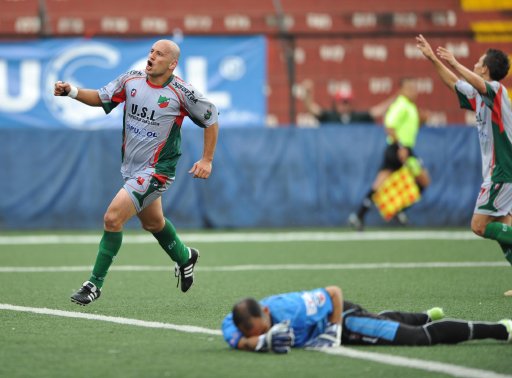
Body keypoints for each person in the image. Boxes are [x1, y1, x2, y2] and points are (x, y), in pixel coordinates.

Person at [54, 39, 219, 305]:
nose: (152, 56)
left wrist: (207, 160)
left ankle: (93, 285)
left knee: (112, 218)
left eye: (159, 53)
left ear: (172, 63)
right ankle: (185, 256)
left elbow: (211, 118)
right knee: (153, 223)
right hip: (131, 168)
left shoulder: (182, 92)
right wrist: (71, 91)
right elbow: (101, 97)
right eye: (151, 51)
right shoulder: (131, 80)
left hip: (157, 171)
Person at [416, 34, 512, 297]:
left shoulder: (497, 90)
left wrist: (456, 62)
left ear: (485, 69)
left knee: (480, 226)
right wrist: (434, 59)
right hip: (501, 172)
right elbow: (454, 84)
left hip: (502, 171)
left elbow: (472, 81)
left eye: (479, 61)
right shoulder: (481, 97)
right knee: (503, 227)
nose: (475, 63)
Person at [221, 286, 512, 353]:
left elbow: (333, 292)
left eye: (267, 327)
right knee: (380, 321)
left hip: (343, 319)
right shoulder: (234, 321)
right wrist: (256, 342)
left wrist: (333, 330)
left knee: (416, 337)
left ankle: (500, 329)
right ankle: (426, 314)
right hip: (341, 324)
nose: (267, 331)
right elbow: (238, 337)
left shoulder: (294, 308)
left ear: (267, 312)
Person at [348, 77, 431, 230]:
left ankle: (360, 215)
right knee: (421, 180)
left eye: (414, 88)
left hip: (403, 149)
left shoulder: (410, 106)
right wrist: (401, 147)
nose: (413, 91)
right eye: (409, 88)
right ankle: (367, 215)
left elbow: (406, 127)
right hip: (399, 149)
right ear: (401, 90)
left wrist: (422, 121)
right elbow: (389, 126)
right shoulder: (400, 104)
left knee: (416, 181)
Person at [301, 79, 393, 125]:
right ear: (336, 103)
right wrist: (307, 94)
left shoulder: (358, 117)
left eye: (347, 102)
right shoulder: (329, 116)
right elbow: (310, 108)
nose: (344, 105)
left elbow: (378, 111)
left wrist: (397, 97)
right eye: (342, 102)